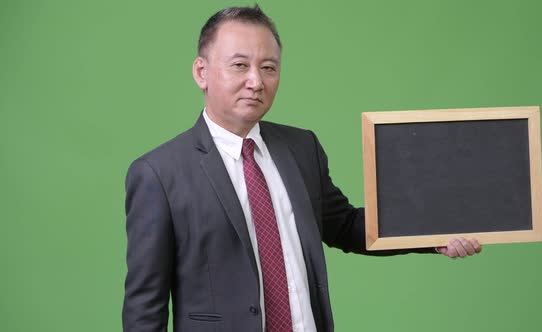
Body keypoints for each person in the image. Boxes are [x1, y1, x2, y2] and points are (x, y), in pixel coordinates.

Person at [122, 5, 482, 332]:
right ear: (202, 72)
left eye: (268, 67)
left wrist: (432, 234)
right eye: (239, 65)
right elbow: (144, 308)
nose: (256, 81)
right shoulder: (158, 173)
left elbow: (346, 226)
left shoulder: (301, 148)